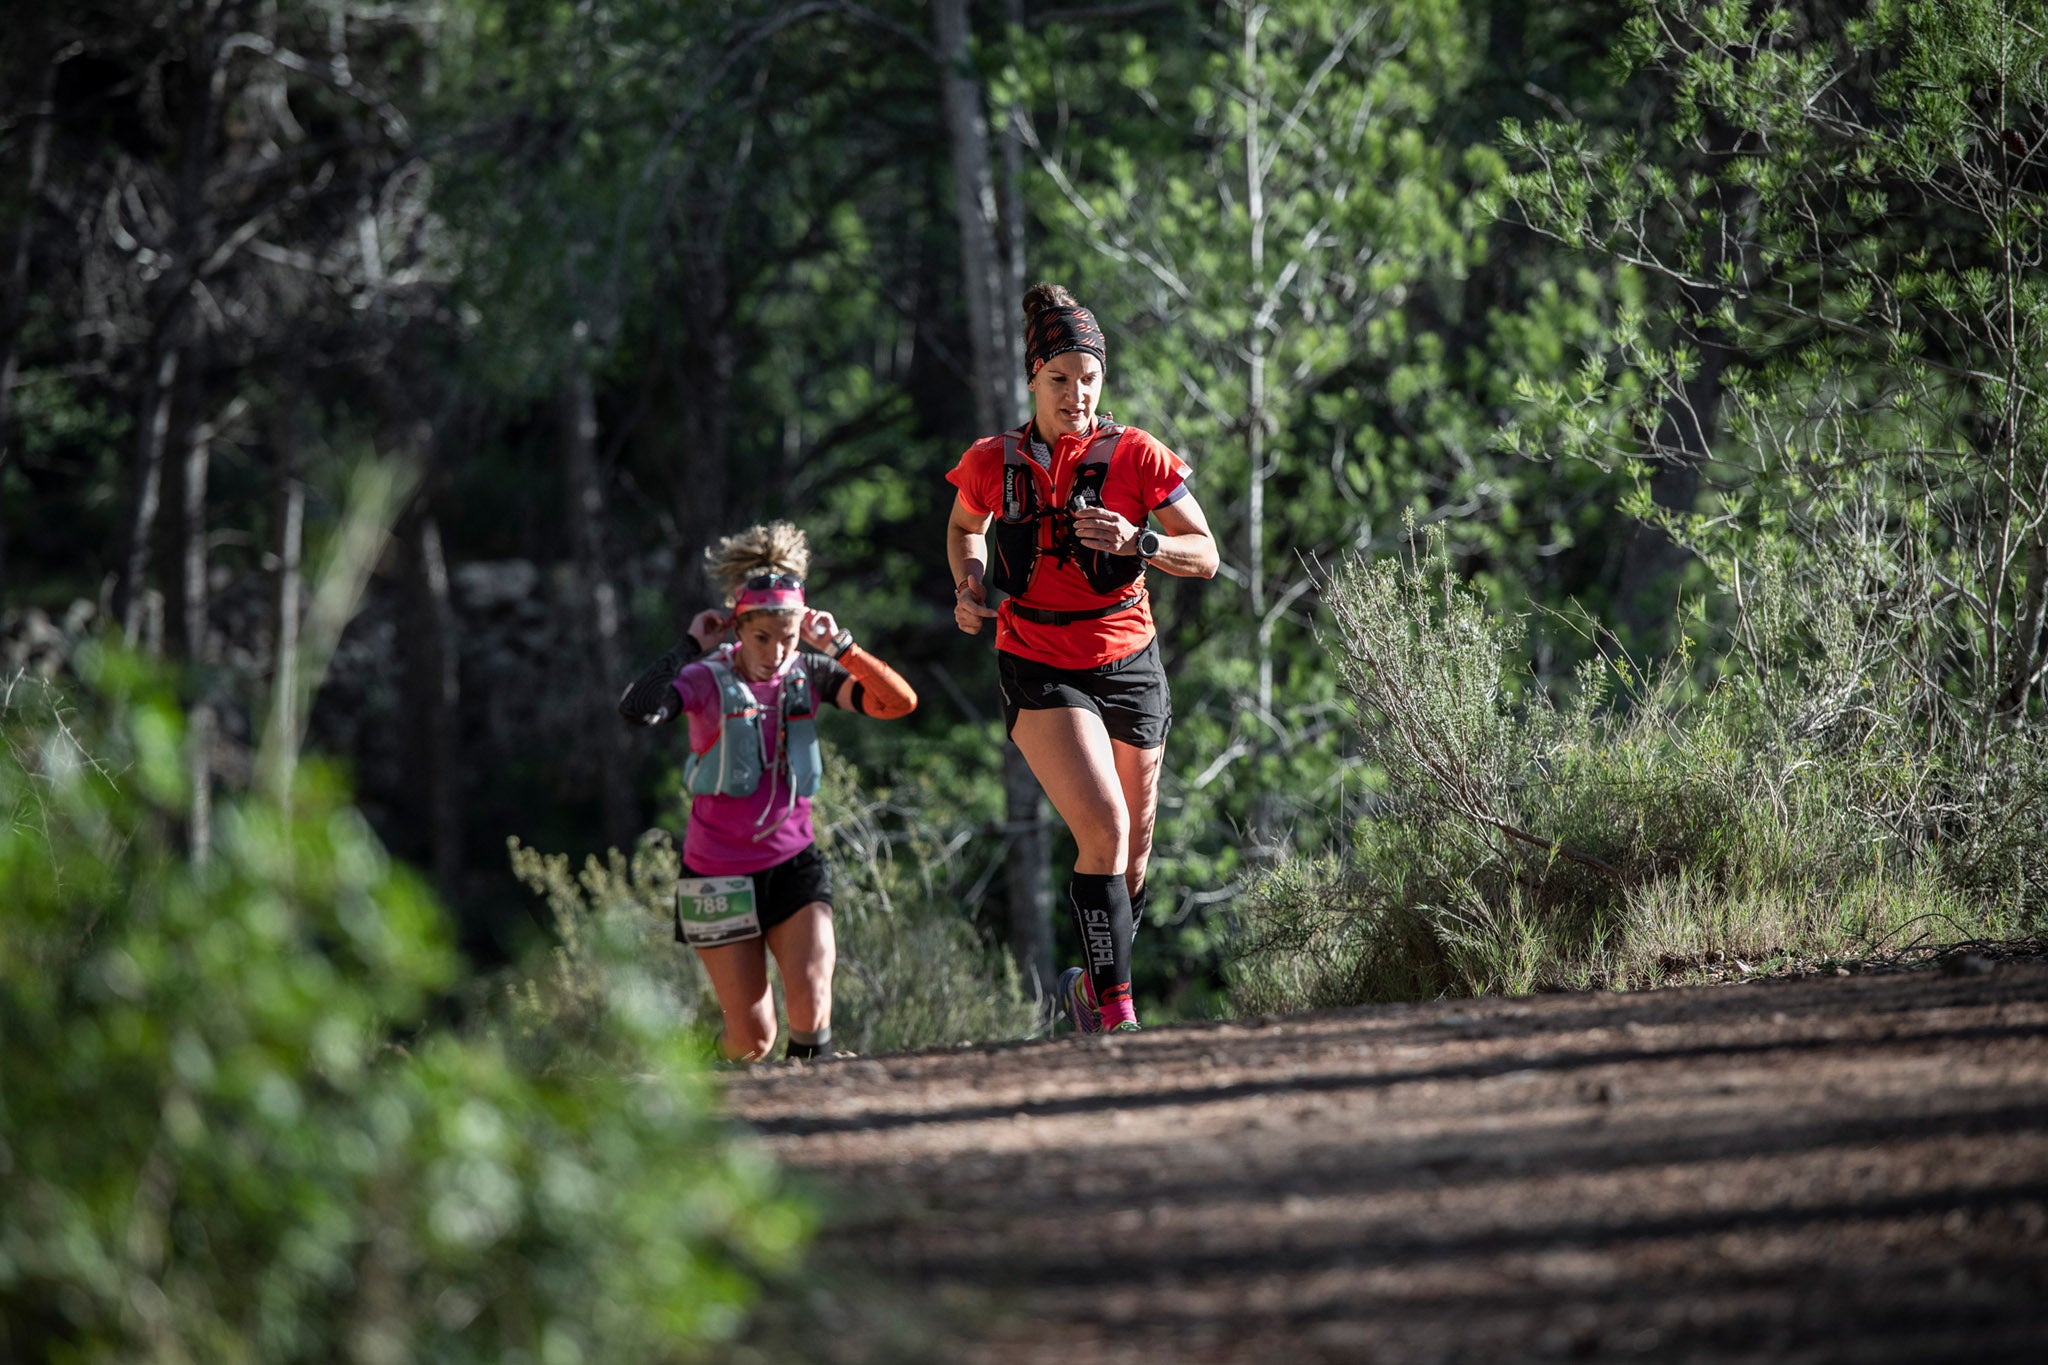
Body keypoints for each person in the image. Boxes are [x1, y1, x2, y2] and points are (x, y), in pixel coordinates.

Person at [945, 282, 1218, 1033]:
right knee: (1103, 827)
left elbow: (1207, 553)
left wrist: (1142, 541)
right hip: (1037, 656)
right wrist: (969, 585)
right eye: (1060, 379)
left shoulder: (1136, 454)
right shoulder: (992, 459)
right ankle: (1118, 1016)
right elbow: (966, 524)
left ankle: (1086, 995)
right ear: (1032, 379)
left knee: (1131, 856)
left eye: (1089, 377)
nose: (1077, 394)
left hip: (1130, 659)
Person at [618, 522, 918, 1062]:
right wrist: (689, 646)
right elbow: (637, 710)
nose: (777, 651)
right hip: (716, 874)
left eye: (788, 638)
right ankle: (704, 1089)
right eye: (762, 638)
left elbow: (898, 703)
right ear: (738, 626)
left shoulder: (811, 673)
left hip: (794, 865)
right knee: (754, 1040)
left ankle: (814, 1120)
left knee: (812, 1003)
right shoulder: (706, 678)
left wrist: (843, 648)